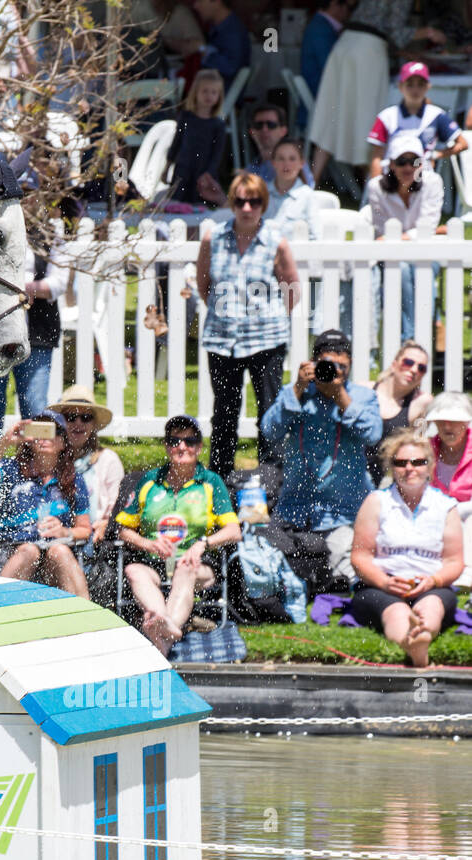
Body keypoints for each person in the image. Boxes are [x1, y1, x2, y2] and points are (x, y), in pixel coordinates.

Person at [260, 330, 383, 593]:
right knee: (269, 569)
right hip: (296, 509)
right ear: (314, 363)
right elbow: (270, 432)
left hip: (345, 512)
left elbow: (373, 435)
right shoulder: (297, 393)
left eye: (342, 366)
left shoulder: (362, 397)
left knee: (347, 576)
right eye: (328, 364)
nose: (335, 371)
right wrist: (297, 389)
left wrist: (341, 397)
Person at [196, 171, 299, 480]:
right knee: (224, 413)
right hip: (222, 339)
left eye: (254, 202)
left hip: (266, 339)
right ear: (232, 202)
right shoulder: (213, 237)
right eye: (240, 201)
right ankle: (220, 478)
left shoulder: (275, 242)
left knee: (269, 412)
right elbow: (204, 284)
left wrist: (274, 319)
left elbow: (291, 287)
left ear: (263, 204)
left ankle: (272, 476)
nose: (246, 208)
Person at [115, 414, 241, 655]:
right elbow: (123, 530)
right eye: (174, 441)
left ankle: (163, 629)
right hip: (155, 561)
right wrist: (148, 544)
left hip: (197, 564)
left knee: (187, 567)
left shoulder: (210, 482)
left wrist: (203, 544)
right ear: (166, 446)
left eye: (189, 441)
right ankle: (165, 626)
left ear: (199, 447)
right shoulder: (150, 481)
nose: (181, 446)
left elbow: (234, 532)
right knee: (133, 571)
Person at [350, 428, 463, 668]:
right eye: (401, 463)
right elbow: (360, 557)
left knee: (431, 607)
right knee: (395, 611)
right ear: (392, 468)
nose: (409, 468)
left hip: (430, 584)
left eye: (418, 462)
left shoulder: (445, 506)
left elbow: (454, 562)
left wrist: (433, 581)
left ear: (429, 467)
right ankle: (413, 644)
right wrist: (384, 582)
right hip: (381, 584)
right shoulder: (376, 502)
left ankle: (421, 634)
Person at [309, 1, 447, 185]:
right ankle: (377, 188)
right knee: (368, 119)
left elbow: (377, 26)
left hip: (344, 46)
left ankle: (310, 184)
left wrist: (401, 53)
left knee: (331, 114)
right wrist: (430, 32)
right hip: (367, 52)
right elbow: (394, 31)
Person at [0, 410, 91, 597]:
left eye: (52, 431)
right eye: (38, 430)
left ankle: (85, 617)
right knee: (29, 551)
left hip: (52, 554)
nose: (44, 438)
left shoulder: (73, 480)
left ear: (63, 441)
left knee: (60, 550)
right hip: (11, 550)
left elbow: (84, 528)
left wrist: (65, 532)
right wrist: (5, 443)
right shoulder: (11, 469)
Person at [0, 223, 72, 438]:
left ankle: (34, 465)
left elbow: (58, 283)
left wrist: (24, 289)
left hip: (37, 331)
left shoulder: (51, 234)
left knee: (35, 406)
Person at [366, 131, 445, 346]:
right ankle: (416, 336)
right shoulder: (376, 187)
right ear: (391, 164)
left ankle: (409, 338)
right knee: (401, 269)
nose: (409, 167)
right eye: (402, 161)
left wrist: (403, 237)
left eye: (415, 161)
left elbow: (426, 227)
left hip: (422, 253)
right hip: (393, 256)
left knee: (418, 268)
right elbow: (383, 230)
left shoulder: (433, 182)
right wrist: (416, 235)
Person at [367, 62, 467, 181]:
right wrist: (376, 186)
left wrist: (436, 155)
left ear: (428, 86)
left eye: (420, 85)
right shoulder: (386, 116)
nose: (415, 90)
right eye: (410, 85)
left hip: (423, 178)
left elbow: (463, 143)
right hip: (392, 179)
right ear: (400, 86)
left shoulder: (436, 115)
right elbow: (377, 157)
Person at [49, 385, 123, 546]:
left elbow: (118, 506)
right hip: (53, 539)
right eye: (71, 417)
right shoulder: (50, 460)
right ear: (60, 423)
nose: (78, 423)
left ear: (93, 424)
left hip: (94, 540)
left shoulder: (108, 460)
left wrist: (107, 523)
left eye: (86, 418)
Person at [367, 341, 434, 484]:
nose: (414, 369)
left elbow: (418, 445)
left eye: (421, 368)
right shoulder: (365, 390)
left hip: (375, 481)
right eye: (408, 362)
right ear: (394, 364)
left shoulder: (421, 404)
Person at [426, 391, 472, 589]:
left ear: (466, 422)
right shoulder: (425, 449)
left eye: (453, 421)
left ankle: (467, 573)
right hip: (436, 516)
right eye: (441, 420)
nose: (446, 426)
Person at [164, 68, 226, 207]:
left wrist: (209, 173)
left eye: (214, 92)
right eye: (204, 91)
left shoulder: (218, 125)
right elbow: (176, 142)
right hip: (183, 169)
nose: (209, 95)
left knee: (200, 206)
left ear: (219, 96)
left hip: (203, 172)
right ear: (195, 92)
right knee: (176, 203)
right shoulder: (185, 117)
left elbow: (218, 154)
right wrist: (167, 165)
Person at [299, 0, 350, 129]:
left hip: (320, 92)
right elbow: (330, 68)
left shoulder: (321, 25)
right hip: (321, 96)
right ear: (334, 4)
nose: (349, 12)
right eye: (348, 6)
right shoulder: (321, 29)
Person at [246, 104, 314, 188]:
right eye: (258, 125)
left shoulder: (294, 160)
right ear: (251, 132)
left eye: (271, 125)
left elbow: (307, 189)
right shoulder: (251, 168)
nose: (264, 129)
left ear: (283, 131)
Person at [191, 0, 250, 92]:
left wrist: (202, 49)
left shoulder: (232, 30)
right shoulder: (220, 26)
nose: (195, 6)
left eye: (200, 1)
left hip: (220, 95)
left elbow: (230, 67)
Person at [265, 137, 317, 240]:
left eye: (292, 159)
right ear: (273, 163)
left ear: (302, 163)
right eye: (281, 158)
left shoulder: (307, 196)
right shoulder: (261, 192)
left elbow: (315, 236)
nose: (286, 164)